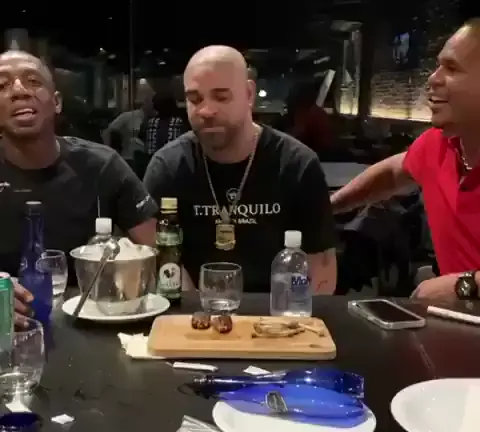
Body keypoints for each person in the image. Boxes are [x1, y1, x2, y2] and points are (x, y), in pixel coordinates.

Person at [144, 45, 337, 293]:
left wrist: (291, 308)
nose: (206, 111)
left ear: (248, 94)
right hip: (195, 307)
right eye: (195, 99)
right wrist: (194, 308)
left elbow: (320, 267)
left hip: (277, 307)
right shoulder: (168, 167)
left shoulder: (296, 164)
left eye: (221, 97)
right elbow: (155, 258)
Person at [0, 50, 158, 324]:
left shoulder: (102, 165)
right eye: (2, 85)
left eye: (33, 81)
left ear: (57, 102)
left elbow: (161, 255)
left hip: (93, 321)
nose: (19, 91)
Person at [330, 19, 480, 302]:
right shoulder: (437, 144)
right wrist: (330, 207)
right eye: (437, 66)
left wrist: (466, 285)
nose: (433, 79)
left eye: (451, 68)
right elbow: (392, 173)